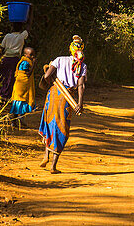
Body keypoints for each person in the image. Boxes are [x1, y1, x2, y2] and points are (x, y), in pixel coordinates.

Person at [37, 35, 87, 174]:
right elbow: (80, 86)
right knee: (61, 128)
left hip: (53, 95)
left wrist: (50, 83)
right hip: (67, 99)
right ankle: (53, 165)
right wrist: (79, 103)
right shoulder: (82, 66)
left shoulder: (59, 60)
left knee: (49, 124)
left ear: (70, 49)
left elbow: (47, 77)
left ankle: (45, 156)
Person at [0, 21, 30, 101]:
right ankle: (6, 96)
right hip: (15, 60)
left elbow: (2, 48)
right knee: (11, 78)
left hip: (5, 58)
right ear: (21, 29)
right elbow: (28, 28)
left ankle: (0, 94)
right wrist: (30, 12)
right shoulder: (22, 36)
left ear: (11, 27)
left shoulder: (7, 36)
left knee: (3, 76)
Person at [8, 46, 36, 128]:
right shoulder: (25, 63)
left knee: (20, 103)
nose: (33, 56)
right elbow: (27, 74)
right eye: (31, 55)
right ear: (26, 55)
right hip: (22, 86)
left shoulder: (26, 61)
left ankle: (18, 120)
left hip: (22, 86)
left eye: (33, 54)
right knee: (19, 102)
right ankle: (14, 121)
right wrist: (34, 64)